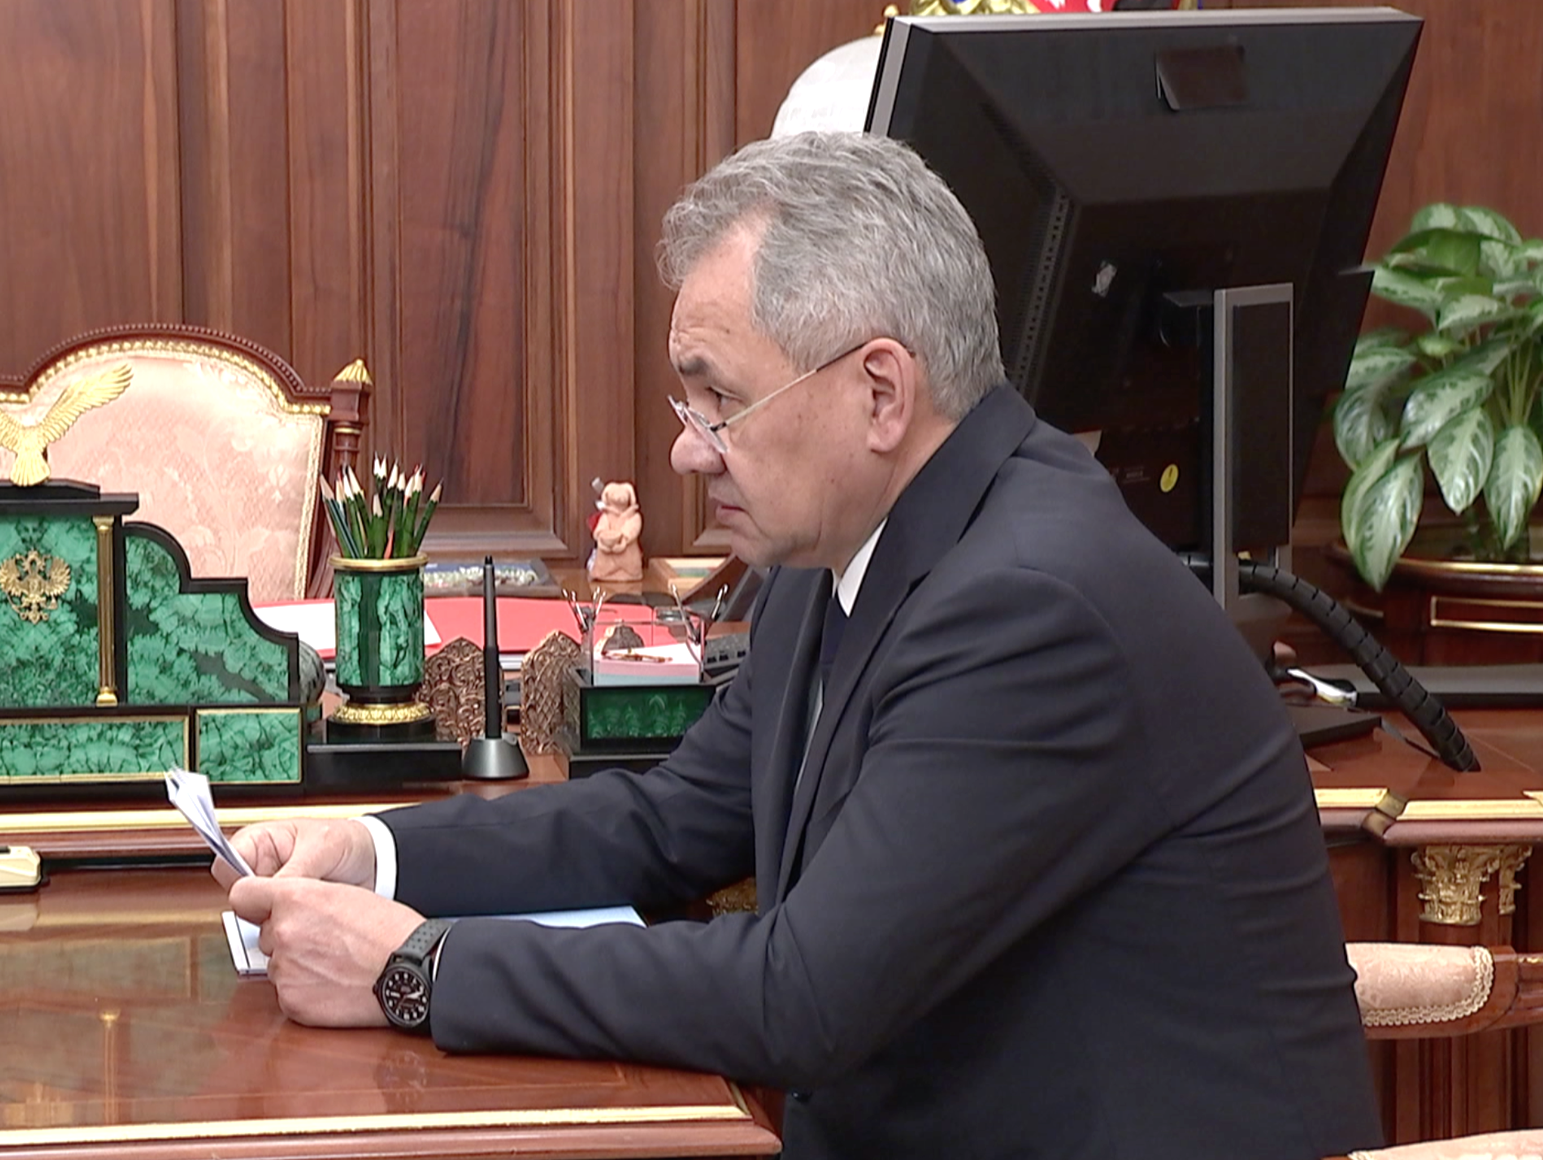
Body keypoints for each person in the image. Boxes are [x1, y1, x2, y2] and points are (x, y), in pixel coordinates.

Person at [219, 130, 1382, 1159]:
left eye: (717, 400)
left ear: (879, 392)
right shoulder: (838, 551)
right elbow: (668, 822)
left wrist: (414, 968)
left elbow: (803, 993)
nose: (687, 450)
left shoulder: (1032, 604)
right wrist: (375, 854)